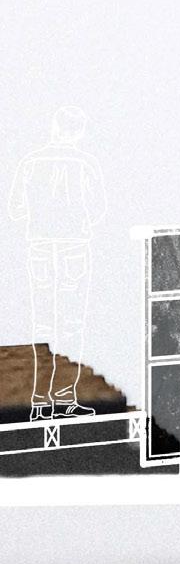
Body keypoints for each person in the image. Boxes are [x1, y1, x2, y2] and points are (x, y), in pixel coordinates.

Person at [8, 107, 106, 420]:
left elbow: (15, 209)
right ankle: (64, 399)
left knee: (41, 324)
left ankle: (39, 402)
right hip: (74, 245)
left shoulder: (30, 162)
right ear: (78, 132)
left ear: (54, 128)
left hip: (39, 246)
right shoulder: (85, 163)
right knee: (71, 324)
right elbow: (98, 210)